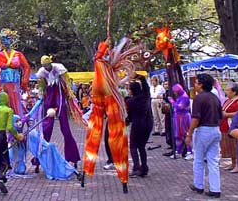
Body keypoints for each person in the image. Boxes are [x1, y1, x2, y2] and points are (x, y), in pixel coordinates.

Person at [83, 37, 140, 193]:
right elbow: (98, 56)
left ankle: (121, 173)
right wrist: (106, 44)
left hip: (106, 94)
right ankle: (90, 167)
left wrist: (106, 45)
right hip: (102, 95)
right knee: (97, 131)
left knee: (115, 133)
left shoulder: (107, 69)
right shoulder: (101, 64)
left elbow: (100, 57)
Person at [35, 55, 84, 170]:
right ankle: (38, 160)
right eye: (44, 66)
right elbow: (42, 87)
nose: (46, 68)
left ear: (50, 63)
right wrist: (41, 97)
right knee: (46, 129)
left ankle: (73, 157)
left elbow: (67, 84)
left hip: (59, 96)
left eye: (47, 65)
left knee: (66, 130)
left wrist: (70, 95)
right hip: (49, 97)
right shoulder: (42, 72)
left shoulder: (59, 68)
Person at [186, 73, 222, 199]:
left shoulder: (199, 98)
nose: (194, 85)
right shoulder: (214, 97)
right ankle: (215, 189)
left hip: (204, 130)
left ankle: (199, 185)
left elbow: (195, 118)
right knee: (213, 161)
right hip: (215, 129)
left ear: (200, 84)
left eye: (196, 82)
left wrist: (189, 134)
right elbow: (220, 115)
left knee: (199, 159)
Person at [0, 29, 31, 116]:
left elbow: (27, 67)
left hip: (15, 82)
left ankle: (17, 120)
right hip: (3, 83)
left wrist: (25, 79)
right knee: (4, 100)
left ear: (12, 40)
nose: (5, 41)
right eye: (3, 39)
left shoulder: (18, 54)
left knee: (15, 100)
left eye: (7, 38)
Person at [126, 77, 153, 177]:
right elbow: (146, 88)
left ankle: (137, 167)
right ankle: (144, 168)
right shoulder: (146, 96)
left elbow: (129, 116)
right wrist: (141, 78)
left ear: (132, 90)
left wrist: (127, 121)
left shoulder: (130, 101)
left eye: (129, 89)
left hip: (138, 124)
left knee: (133, 146)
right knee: (141, 146)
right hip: (148, 123)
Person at [220, 83, 238, 173]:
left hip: (232, 125)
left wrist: (227, 114)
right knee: (229, 146)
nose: (226, 92)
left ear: (234, 92)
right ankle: (232, 163)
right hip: (224, 126)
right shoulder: (227, 100)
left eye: (228, 90)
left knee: (235, 145)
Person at [169, 84, 192, 160]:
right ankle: (178, 151)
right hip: (178, 117)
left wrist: (172, 102)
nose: (174, 93)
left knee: (185, 134)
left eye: (175, 91)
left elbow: (180, 107)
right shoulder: (180, 96)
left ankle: (190, 152)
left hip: (183, 118)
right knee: (178, 135)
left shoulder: (184, 97)